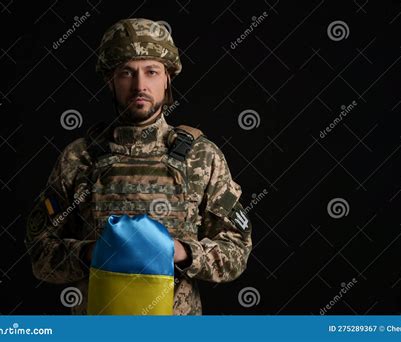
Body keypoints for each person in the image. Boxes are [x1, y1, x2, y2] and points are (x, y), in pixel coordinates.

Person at [25, 18, 252, 315]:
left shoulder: (202, 157)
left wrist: (181, 253)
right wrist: (90, 253)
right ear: (110, 80)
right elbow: (39, 254)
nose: (140, 85)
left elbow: (237, 250)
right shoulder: (78, 158)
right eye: (126, 73)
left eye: (151, 72)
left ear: (168, 78)